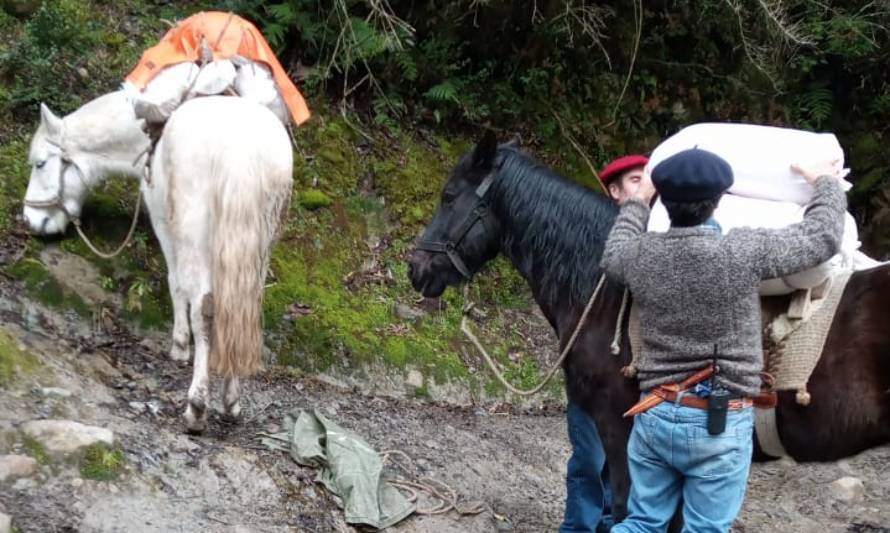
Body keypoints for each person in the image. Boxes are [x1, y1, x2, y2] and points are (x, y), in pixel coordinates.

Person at [600, 148, 846, 532]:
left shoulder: (641, 254)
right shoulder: (739, 250)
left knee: (643, 523)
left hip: (656, 412)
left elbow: (613, 252)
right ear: (719, 200)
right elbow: (823, 237)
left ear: (663, 200)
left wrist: (638, 200)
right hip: (719, 422)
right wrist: (825, 183)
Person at [561, 154, 651, 533]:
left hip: (638, 378)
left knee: (627, 461)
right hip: (595, 371)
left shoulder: (663, 236)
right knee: (589, 457)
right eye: (635, 180)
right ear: (614, 191)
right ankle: (581, 528)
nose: (646, 187)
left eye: (649, 179)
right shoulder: (590, 242)